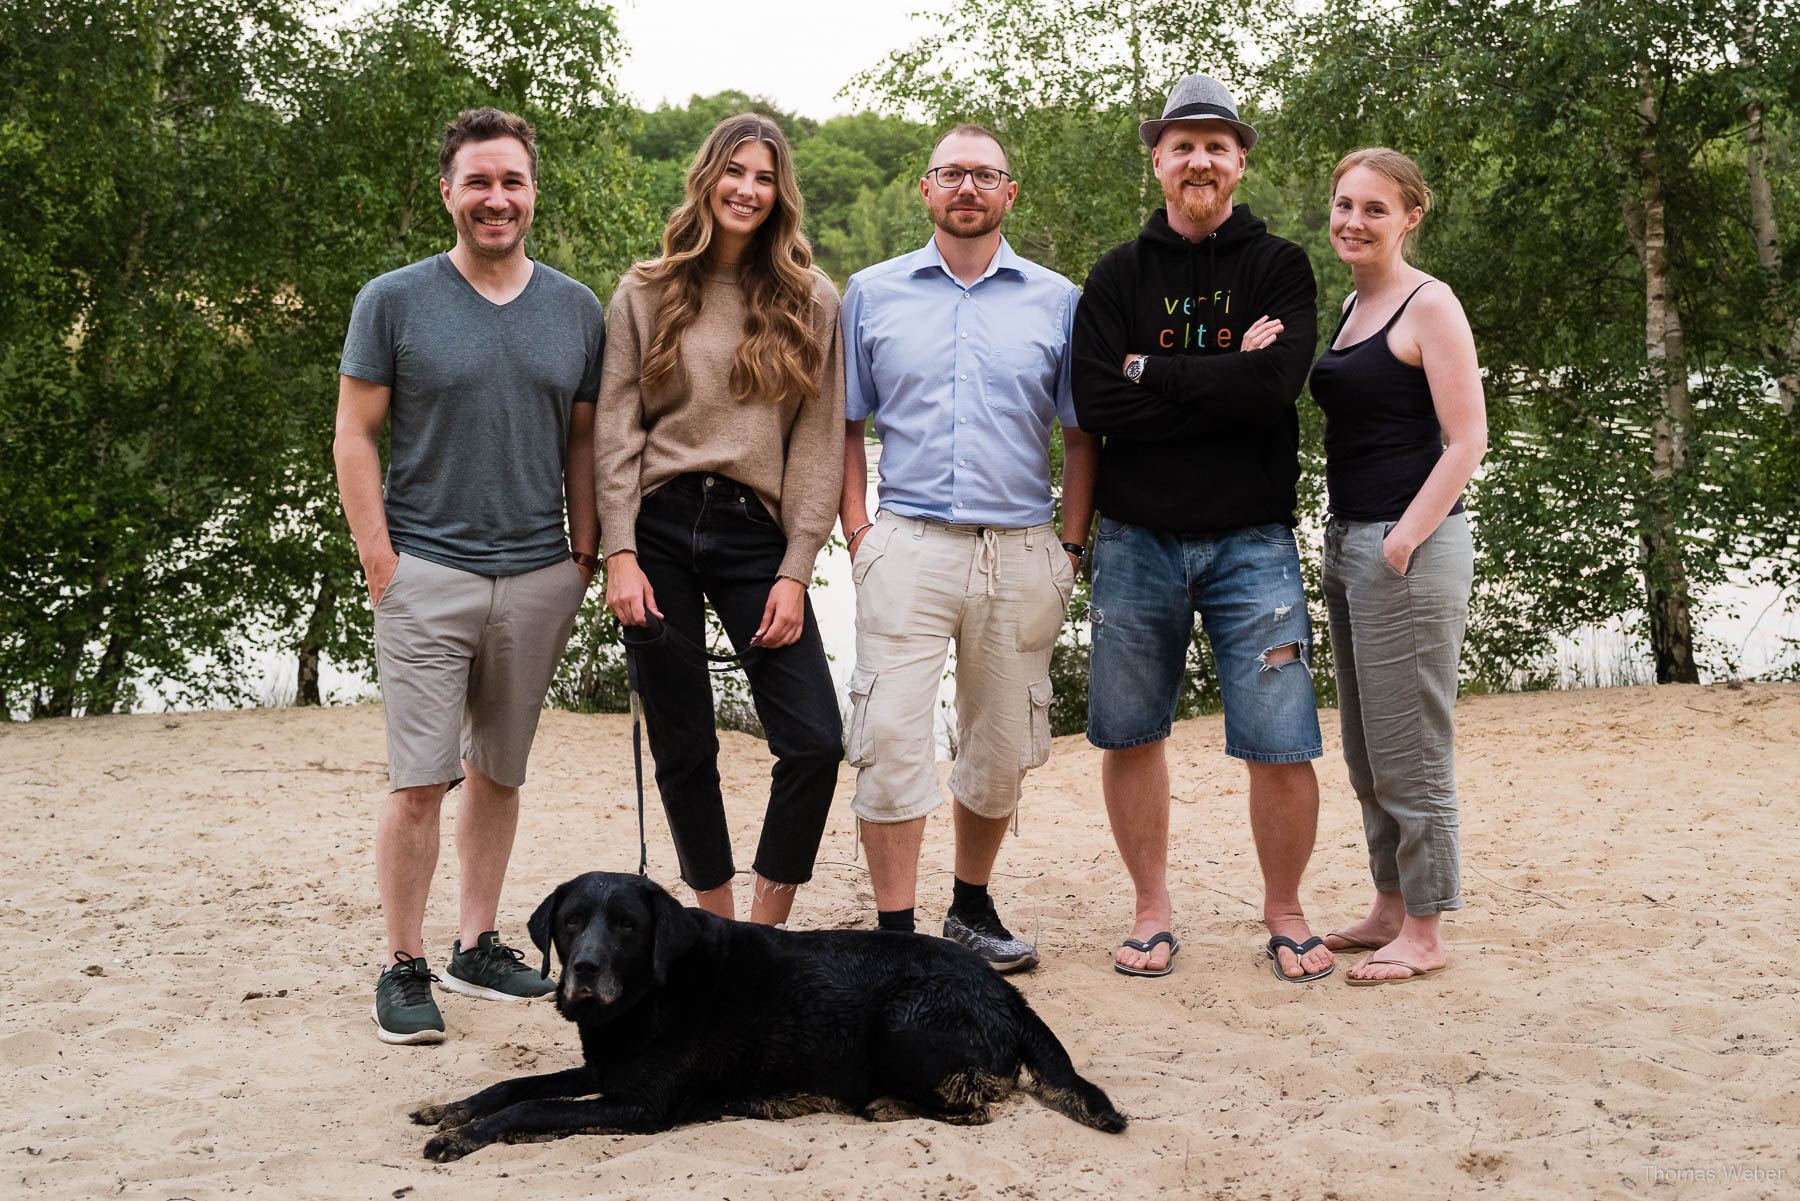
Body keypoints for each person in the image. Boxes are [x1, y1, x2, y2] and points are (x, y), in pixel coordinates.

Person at [335, 107, 604, 1044]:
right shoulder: (394, 300)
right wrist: (380, 557)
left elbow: (583, 441)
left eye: (513, 182)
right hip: (428, 571)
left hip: (537, 573)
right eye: (479, 182)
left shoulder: (577, 309)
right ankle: (403, 962)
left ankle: (476, 942)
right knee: (421, 781)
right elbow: (355, 435)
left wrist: (582, 552)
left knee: (500, 770)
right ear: (447, 191)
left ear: (534, 192)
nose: (498, 199)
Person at [1072, 74, 1333, 981]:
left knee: (1282, 736)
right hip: (1135, 539)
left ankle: (1287, 910)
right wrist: (1217, 376)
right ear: (1157, 160)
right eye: (1182, 144)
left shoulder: (1281, 266)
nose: (1199, 159)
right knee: (1130, 731)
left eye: (1216, 145)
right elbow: (1097, 398)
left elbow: (1274, 390)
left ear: (1239, 161)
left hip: (1252, 540)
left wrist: (1152, 369)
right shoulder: (1116, 275)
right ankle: (1152, 908)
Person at [838, 123, 1099, 971]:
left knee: (997, 743)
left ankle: (972, 909)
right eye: (952, 173)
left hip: (1022, 549)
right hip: (906, 543)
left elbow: (1081, 432)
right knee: (887, 735)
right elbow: (844, 423)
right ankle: (894, 935)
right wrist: (857, 527)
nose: (968, 188)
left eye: (986, 175)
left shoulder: (1058, 300)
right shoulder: (871, 294)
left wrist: (1070, 546)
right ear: (926, 188)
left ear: (1009, 193)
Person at [596, 114, 844, 928]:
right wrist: (619, 552)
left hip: (753, 532)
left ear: (782, 195)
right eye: (735, 171)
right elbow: (617, 427)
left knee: (812, 741)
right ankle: (715, 925)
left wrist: (797, 566)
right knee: (685, 747)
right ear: (707, 177)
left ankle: (759, 938)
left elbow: (816, 438)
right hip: (658, 523)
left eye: (765, 177)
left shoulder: (811, 298)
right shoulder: (644, 289)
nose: (748, 188)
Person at [1309, 148, 1487, 984]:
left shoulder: (1430, 303)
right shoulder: (1354, 303)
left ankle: (1424, 926)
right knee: (1365, 746)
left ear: (1411, 216)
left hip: (1407, 547)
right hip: (1353, 542)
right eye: (1345, 204)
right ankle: (1388, 902)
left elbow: (1467, 439)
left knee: (1412, 746)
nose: (1353, 220)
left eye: (1375, 209)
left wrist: (1405, 538)